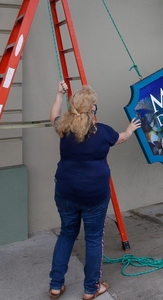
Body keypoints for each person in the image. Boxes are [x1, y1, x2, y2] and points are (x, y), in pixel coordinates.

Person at [48, 80, 141, 300]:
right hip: (94, 196)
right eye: (94, 104)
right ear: (92, 108)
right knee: (93, 239)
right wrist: (130, 128)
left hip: (65, 193)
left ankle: (55, 285)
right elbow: (122, 138)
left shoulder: (64, 127)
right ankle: (91, 289)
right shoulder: (103, 132)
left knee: (67, 234)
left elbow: (53, 116)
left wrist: (59, 95)